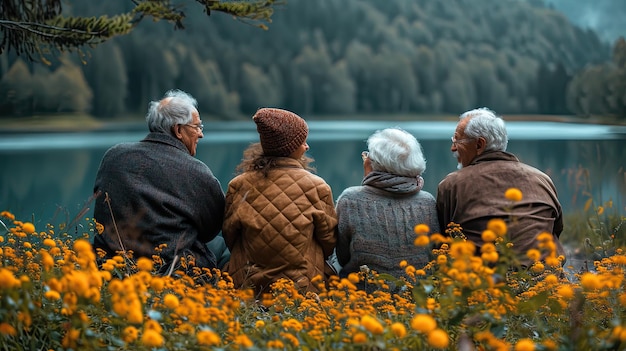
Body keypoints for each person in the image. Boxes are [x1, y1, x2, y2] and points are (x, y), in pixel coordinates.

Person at [92, 89, 226, 276]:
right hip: (171, 273)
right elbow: (211, 229)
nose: (200, 134)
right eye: (197, 127)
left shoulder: (113, 156)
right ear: (178, 130)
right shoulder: (196, 171)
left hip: (111, 268)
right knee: (222, 244)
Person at [222, 108, 337, 296]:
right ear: (290, 147)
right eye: (302, 141)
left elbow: (230, 236)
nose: (307, 146)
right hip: (303, 289)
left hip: (249, 289)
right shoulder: (318, 187)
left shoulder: (238, 185)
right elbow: (329, 242)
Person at [436, 107, 565, 267]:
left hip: (484, 284)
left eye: (457, 141)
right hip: (543, 282)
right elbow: (557, 230)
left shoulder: (452, 185)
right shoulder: (542, 179)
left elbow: (443, 240)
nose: (453, 148)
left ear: (479, 145)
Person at [335, 128, 440, 279]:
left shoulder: (350, 200)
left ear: (373, 164)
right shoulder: (427, 202)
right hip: (420, 295)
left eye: (367, 156)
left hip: (361, 296)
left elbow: (342, 256)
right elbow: (436, 253)